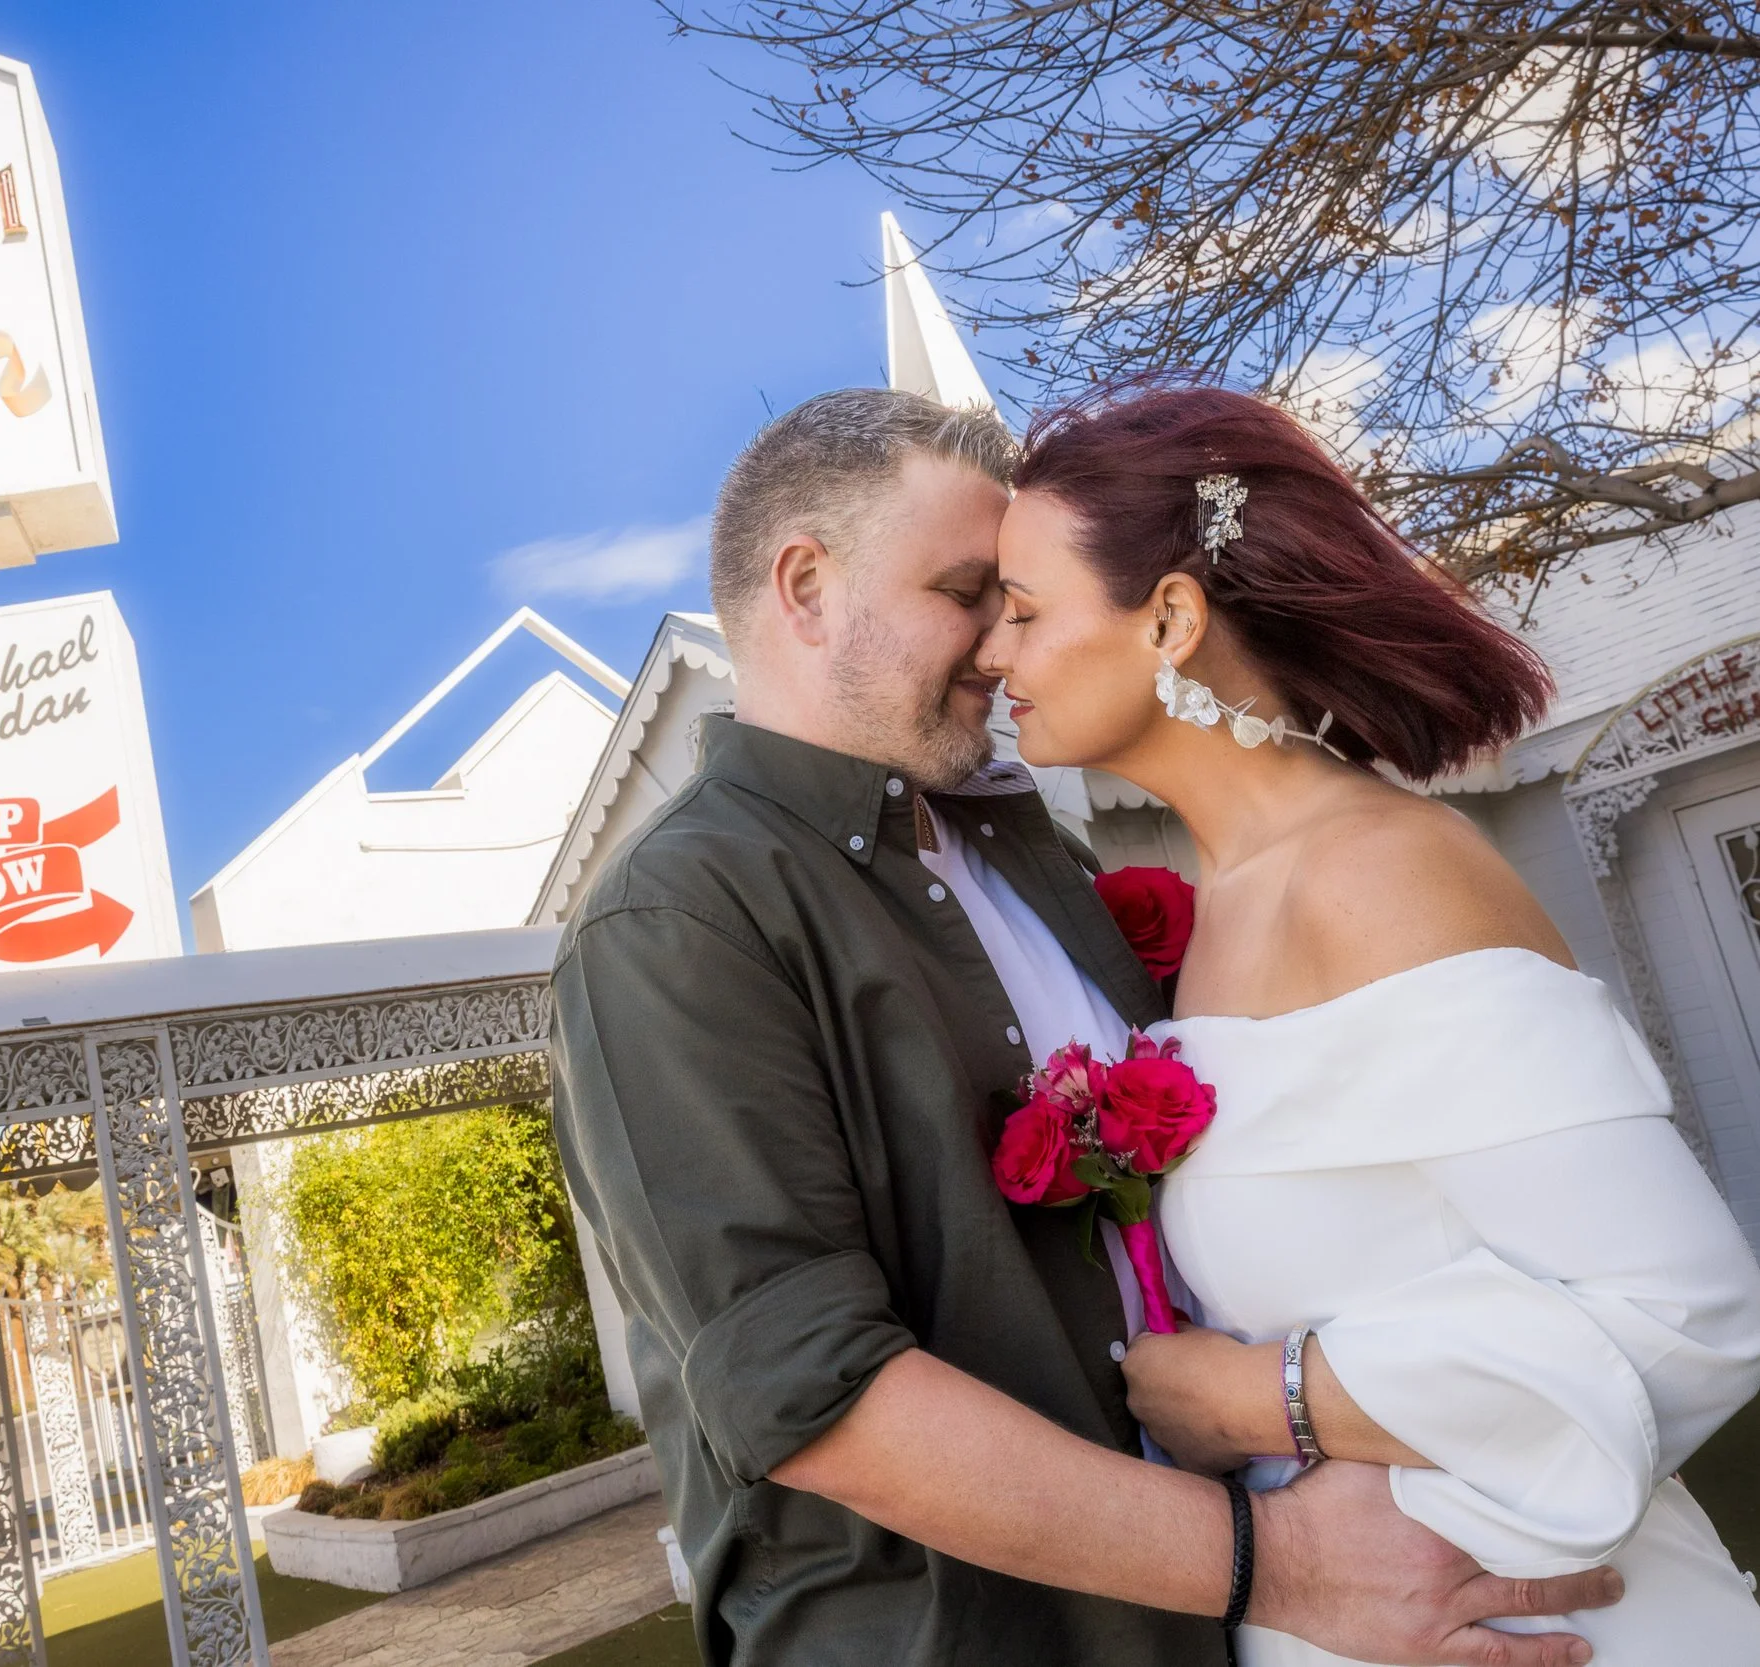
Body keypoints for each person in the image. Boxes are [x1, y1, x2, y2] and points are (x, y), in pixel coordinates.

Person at [549, 386, 1623, 1667]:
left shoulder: (1034, 850)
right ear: (805, 585)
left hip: (1223, 1622)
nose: (1003, 646)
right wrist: (1275, 1563)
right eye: (967, 593)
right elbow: (815, 1394)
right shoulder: (678, 920)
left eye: (1016, 603)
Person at [977, 380, 1760, 1664]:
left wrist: (1267, 1396)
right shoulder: (1209, 913)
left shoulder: (1375, 871)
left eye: (1020, 611)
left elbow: (1690, 1315)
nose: (992, 655)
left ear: (1169, 616)